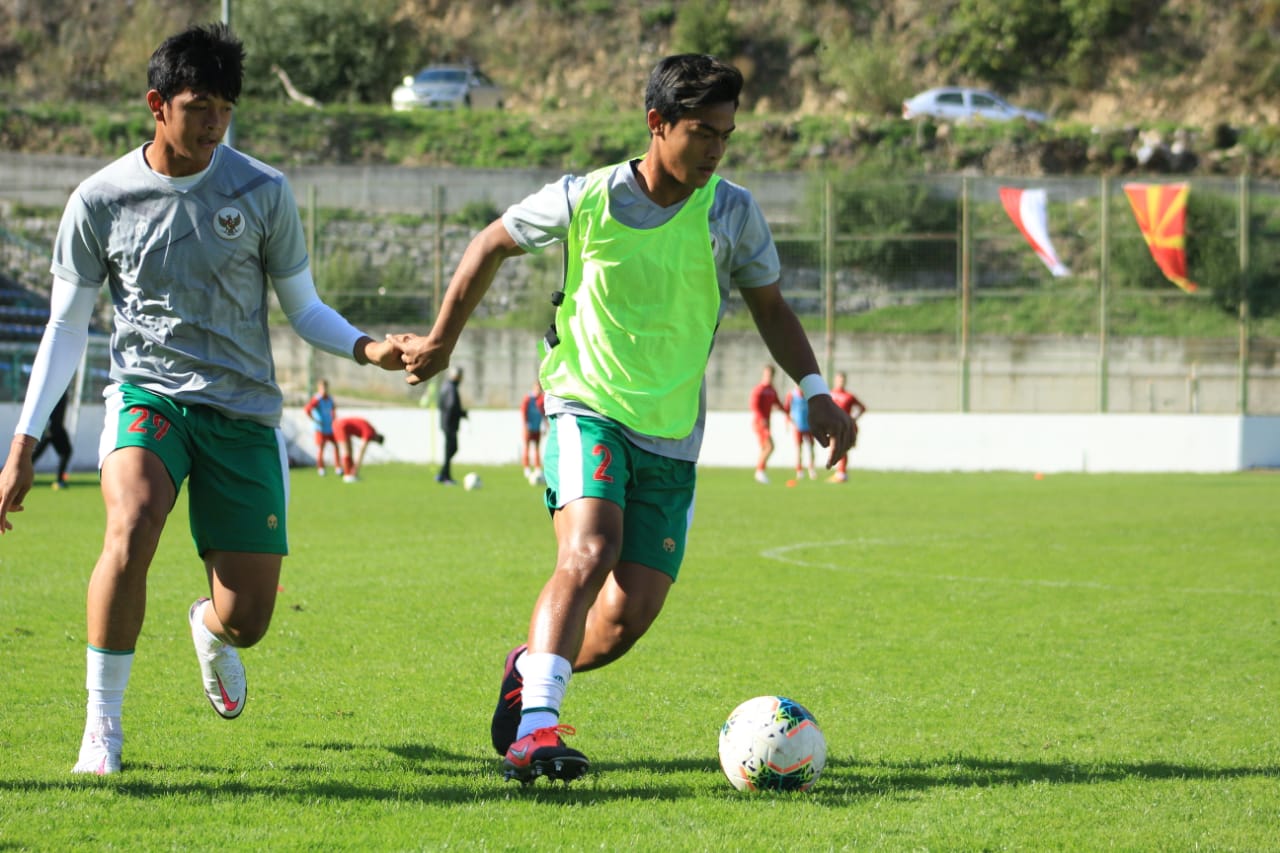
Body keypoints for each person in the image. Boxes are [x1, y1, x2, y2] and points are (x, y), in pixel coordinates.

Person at [394, 53, 853, 785]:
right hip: (585, 406)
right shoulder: (586, 199)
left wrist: (816, 388)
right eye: (701, 131)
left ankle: (529, 670)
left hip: (671, 433)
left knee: (621, 622)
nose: (714, 149)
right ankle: (536, 734)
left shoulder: (732, 211)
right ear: (657, 123)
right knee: (589, 550)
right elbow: (491, 243)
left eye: (725, 136)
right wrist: (441, 342)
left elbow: (770, 306)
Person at [0, 22, 404, 776]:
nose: (215, 122)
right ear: (158, 104)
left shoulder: (262, 190)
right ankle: (102, 729)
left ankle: (209, 628)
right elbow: (63, 324)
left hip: (245, 411)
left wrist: (366, 346)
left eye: (225, 106)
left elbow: (304, 306)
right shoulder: (100, 199)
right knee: (131, 523)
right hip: (148, 395)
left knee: (249, 617)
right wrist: (23, 445)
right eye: (199, 106)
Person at [827, 371, 866, 483]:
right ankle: (840, 472)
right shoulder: (829, 394)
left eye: (842, 380)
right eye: (839, 379)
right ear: (835, 381)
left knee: (841, 448)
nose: (840, 382)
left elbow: (862, 408)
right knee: (835, 449)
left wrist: (853, 419)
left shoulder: (849, 396)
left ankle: (842, 473)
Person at [748, 364, 784, 484]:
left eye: (771, 374)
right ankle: (759, 471)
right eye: (767, 374)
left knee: (765, 447)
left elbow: (778, 404)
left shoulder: (772, 390)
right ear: (764, 374)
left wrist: (788, 413)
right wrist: (761, 418)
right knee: (770, 446)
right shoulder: (759, 389)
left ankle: (760, 471)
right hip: (760, 423)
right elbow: (754, 406)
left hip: (767, 423)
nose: (768, 376)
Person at [32, 389, 73, 489]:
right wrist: (49, 426)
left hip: (56, 428)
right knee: (33, 456)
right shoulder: (55, 389)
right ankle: (17, 477)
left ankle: (60, 480)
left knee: (66, 452)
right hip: (51, 428)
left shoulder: (60, 388)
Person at [436, 366, 467, 485]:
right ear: (457, 376)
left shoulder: (446, 386)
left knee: (450, 450)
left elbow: (442, 405)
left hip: (446, 423)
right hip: (450, 425)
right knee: (451, 449)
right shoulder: (451, 388)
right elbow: (451, 406)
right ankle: (445, 477)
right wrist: (461, 413)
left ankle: (443, 474)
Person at [303, 378, 339, 476]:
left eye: (326, 387)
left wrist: (334, 420)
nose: (324, 389)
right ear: (319, 388)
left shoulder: (330, 398)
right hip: (321, 429)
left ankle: (338, 467)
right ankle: (321, 468)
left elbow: (333, 409)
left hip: (330, 428)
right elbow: (307, 409)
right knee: (321, 448)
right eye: (322, 387)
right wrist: (315, 420)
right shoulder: (317, 399)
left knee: (336, 446)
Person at [332, 416, 384, 483]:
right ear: (376, 438)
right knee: (346, 452)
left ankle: (351, 474)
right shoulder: (370, 434)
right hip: (341, 426)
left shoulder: (371, 430)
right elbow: (361, 451)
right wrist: (356, 468)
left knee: (350, 451)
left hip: (342, 426)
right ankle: (348, 475)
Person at [783, 383, 816, 481]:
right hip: (798, 425)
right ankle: (799, 470)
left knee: (811, 448)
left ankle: (811, 469)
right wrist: (788, 422)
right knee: (799, 449)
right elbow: (786, 409)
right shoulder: (791, 394)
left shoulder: (809, 394)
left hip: (809, 425)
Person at [520, 379, 546, 484]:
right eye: (537, 388)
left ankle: (537, 468)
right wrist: (525, 425)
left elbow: (544, 413)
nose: (538, 390)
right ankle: (526, 469)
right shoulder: (528, 399)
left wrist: (544, 426)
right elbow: (523, 412)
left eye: (540, 388)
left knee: (537, 448)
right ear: (533, 388)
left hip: (537, 427)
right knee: (527, 447)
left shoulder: (541, 400)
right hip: (528, 427)